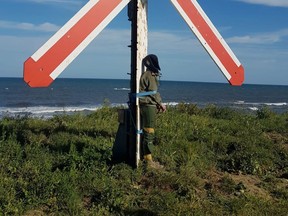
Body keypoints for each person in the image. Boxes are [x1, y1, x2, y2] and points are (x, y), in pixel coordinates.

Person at [139, 54, 166, 169]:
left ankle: (146, 157)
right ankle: (149, 161)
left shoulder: (147, 74)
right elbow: (153, 92)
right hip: (148, 105)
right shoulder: (150, 75)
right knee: (149, 132)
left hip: (147, 104)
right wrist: (161, 104)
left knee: (147, 131)